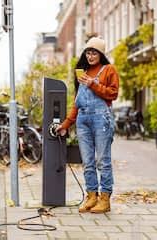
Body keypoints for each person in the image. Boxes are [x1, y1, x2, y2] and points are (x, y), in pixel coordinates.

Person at [56, 37, 119, 213]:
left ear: (101, 54)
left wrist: (94, 84)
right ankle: (92, 196)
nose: (90, 56)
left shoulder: (108, 70)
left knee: (103, 161)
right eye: (88, 52)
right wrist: (67, 124)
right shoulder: (81, 73)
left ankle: (105, 199)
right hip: (83, 121)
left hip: (101, 119)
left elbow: (113, 94)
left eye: (94, 53)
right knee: (87, 162)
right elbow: (78, 102)